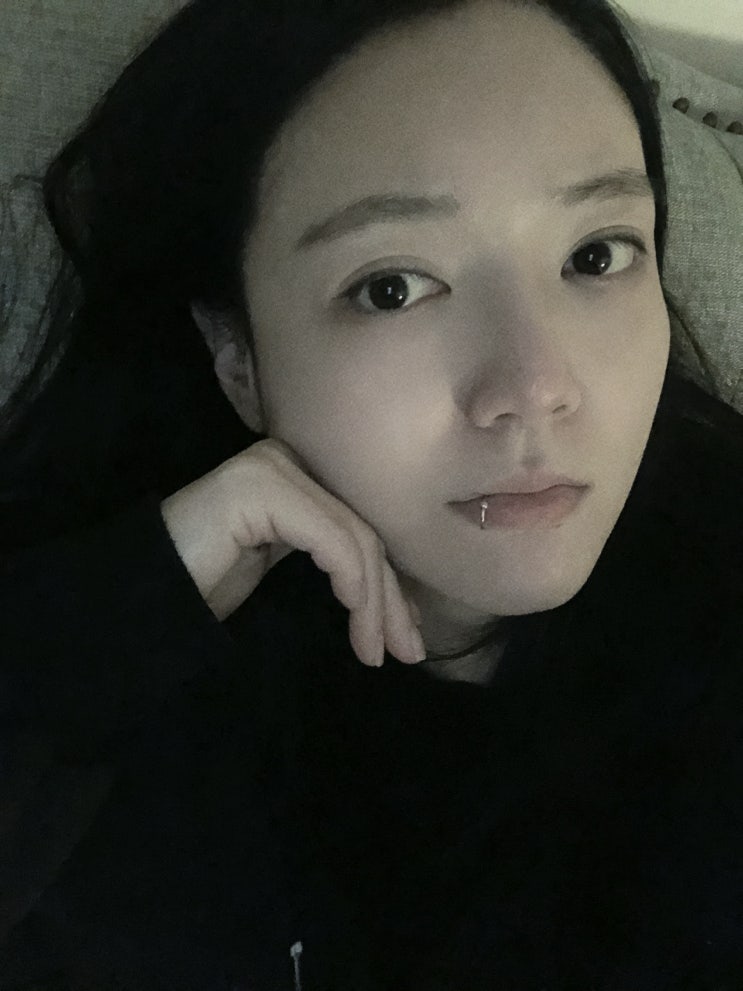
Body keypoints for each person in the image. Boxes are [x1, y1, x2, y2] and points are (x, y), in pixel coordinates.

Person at [1, 0, 742, 987]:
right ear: (236, 356)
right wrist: (128, 608)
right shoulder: (117, 691)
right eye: (391, 286)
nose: (533, 386)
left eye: (594, 254)